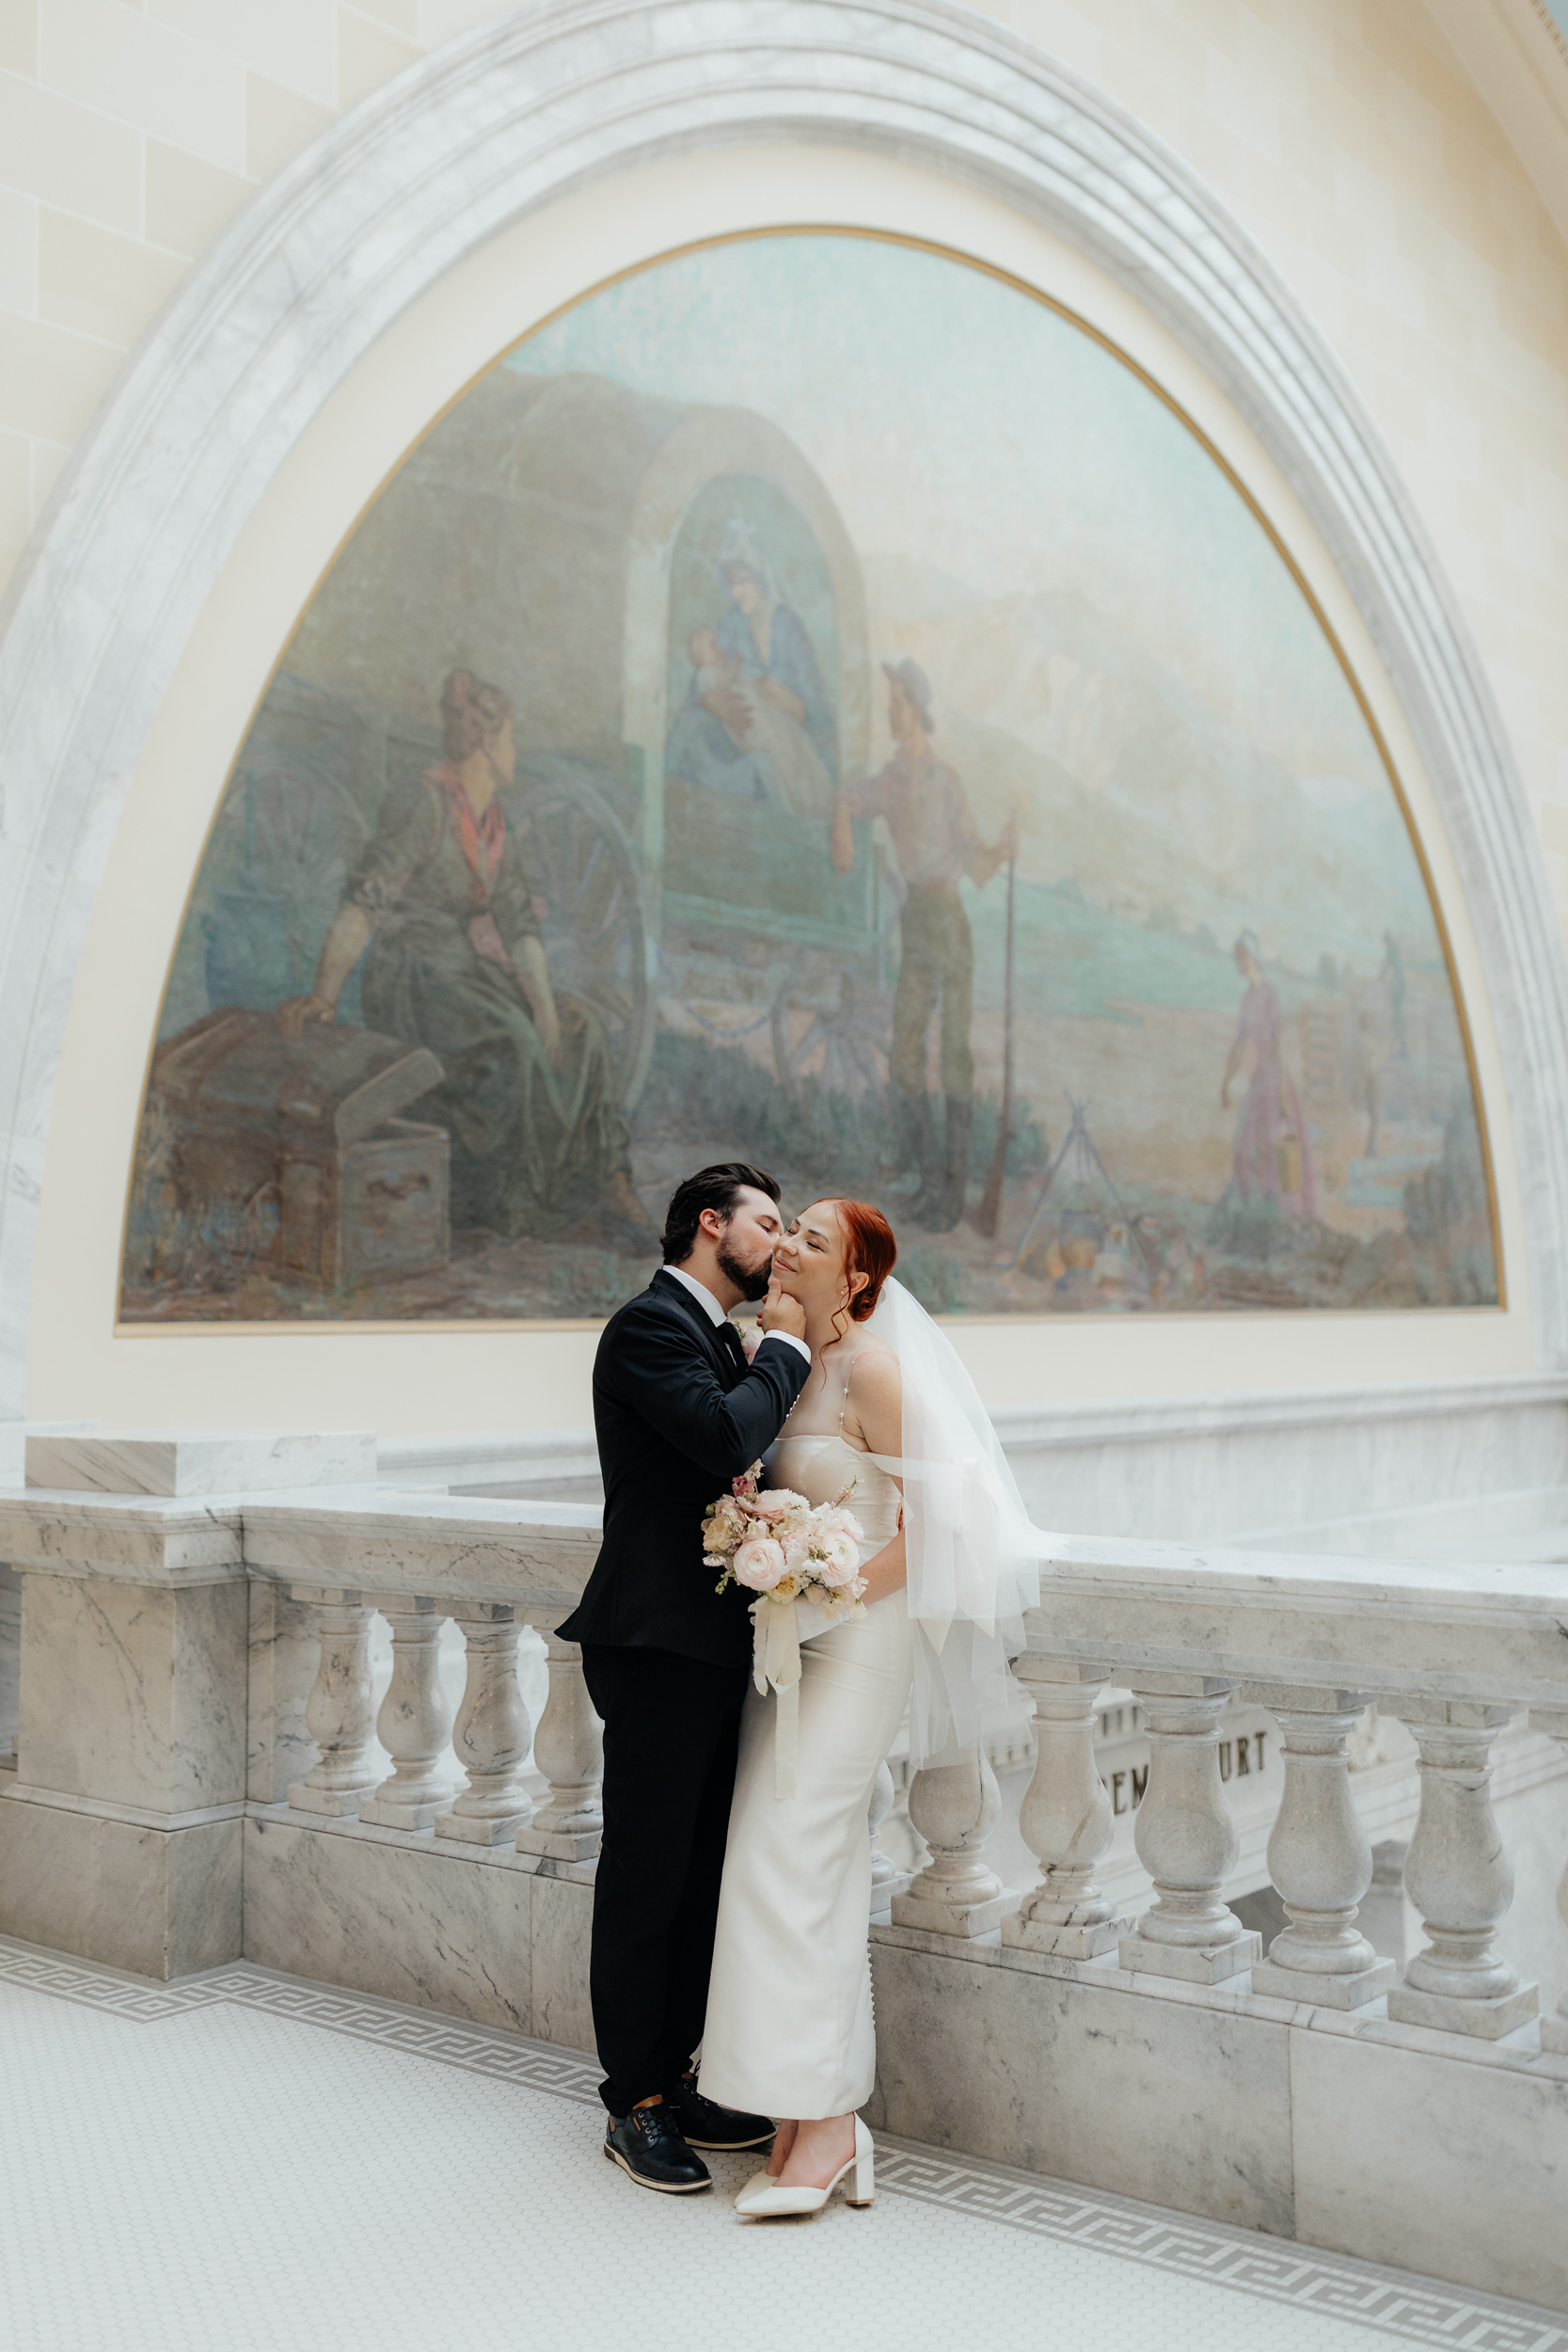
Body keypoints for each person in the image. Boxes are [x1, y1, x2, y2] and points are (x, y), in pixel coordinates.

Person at [699, 1200, 1049, 2221]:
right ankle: (803, 2111)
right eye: (790, 1231)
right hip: (790, 1644)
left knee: (796, 1850)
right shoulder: (776, 1360)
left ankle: (827, 2121)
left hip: (860, 1638)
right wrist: (764, 1546)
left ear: (856, 1280)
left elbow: (945, 1524)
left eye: (813, 1237)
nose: (790, 1247)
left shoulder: (872, 1370)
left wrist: (827, 1586)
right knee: (772, 1854)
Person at [557, 1162, 813, 2195]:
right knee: (647, 1875)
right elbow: (721, 1433)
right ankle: (635, 2101)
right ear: (710, 1225)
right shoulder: (646, 1327)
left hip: (712, 1643)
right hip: (655, 1641)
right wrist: (786, 1346)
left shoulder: (714, 1336)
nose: (781, 1242)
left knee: (701, 1870)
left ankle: (682, 2075)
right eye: (766, 1222)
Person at [277, 669, 652, 1248]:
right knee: (517, 1044)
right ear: (484, 741)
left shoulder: (494, 820)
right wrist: (325, 994)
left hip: (459, 968)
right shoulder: (423, 802)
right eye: (509, 740)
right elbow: (367, 900)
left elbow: (519, 923)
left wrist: (546, 1006)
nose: (514, 752)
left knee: (581, 1029)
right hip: (411, 976)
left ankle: (610, 1185)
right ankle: (511, 1206)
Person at [832, 660, 1017, 1232]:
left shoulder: (947, 781)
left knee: (955, 1053)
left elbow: (975, 858)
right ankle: (929, 1179)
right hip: (916, 915)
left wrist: (1002, 848)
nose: (890, 710)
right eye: (888, 700)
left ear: (915, 707)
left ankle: (953, 1196)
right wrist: (841, 824)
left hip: (949, 919)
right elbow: (848, 797)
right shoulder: (892, 778)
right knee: (906, 1051)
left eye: (896, 700)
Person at [1221, 929, 1319, 1218]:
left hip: (1276, 1084)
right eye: (1236, 956)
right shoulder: (1246, 1000)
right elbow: (1240, 1045)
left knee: (1276, 1154)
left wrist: (1283, 1100)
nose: (1239, 962)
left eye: (1242, 956)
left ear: (1254, 957)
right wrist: (1225, 1083)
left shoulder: (1269, 993)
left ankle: (1283, 1219)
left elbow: (1278, 1047)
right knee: (1244, 1150)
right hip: (1258, 1084)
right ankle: (1256, 1213)